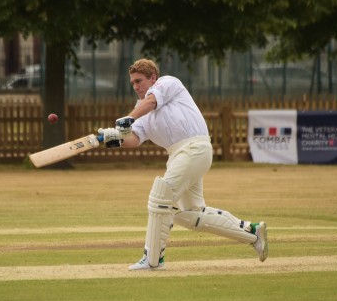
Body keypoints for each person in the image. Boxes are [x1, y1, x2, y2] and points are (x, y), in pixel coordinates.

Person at [98, 58, 268, 271]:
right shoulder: (141, 110)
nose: (136, 86)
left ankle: (152, 260)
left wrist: (128, 119)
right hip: (179, 156)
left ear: (153, 78)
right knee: (192, 215)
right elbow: (134, 139)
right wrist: (114, 138)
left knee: (161, 196)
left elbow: (151, 102)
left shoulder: (168, 83)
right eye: (132, 83)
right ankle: (253, 233)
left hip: (194, 148)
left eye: (139, 81)